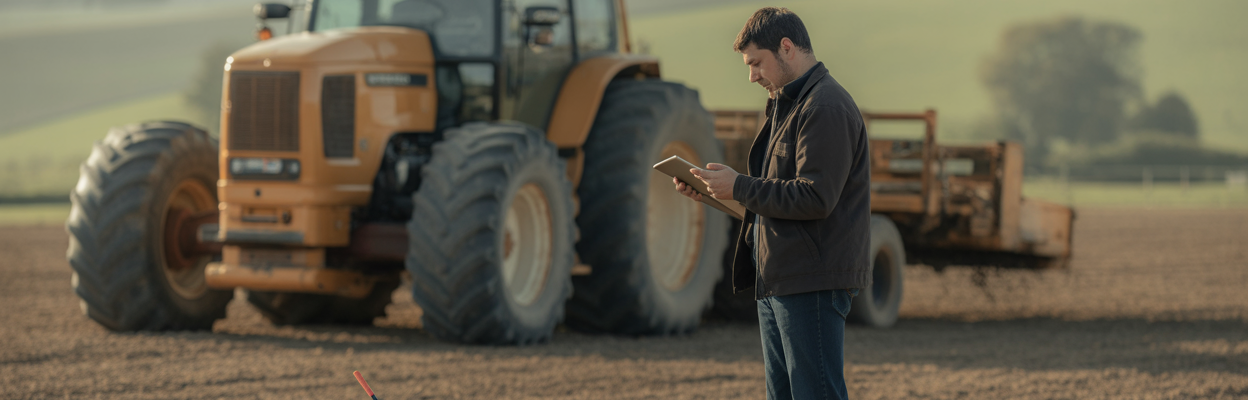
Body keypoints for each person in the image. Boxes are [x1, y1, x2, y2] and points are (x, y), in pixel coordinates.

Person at [673, 7, 871, 400]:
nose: (752, 75)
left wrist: (741, 185)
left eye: (756, 63)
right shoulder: (791, 105)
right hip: (780, 279)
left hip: (810, 281)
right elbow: (776, 196)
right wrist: (719, 192)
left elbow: (815, 197)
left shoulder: (824, 107)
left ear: (787, 47)